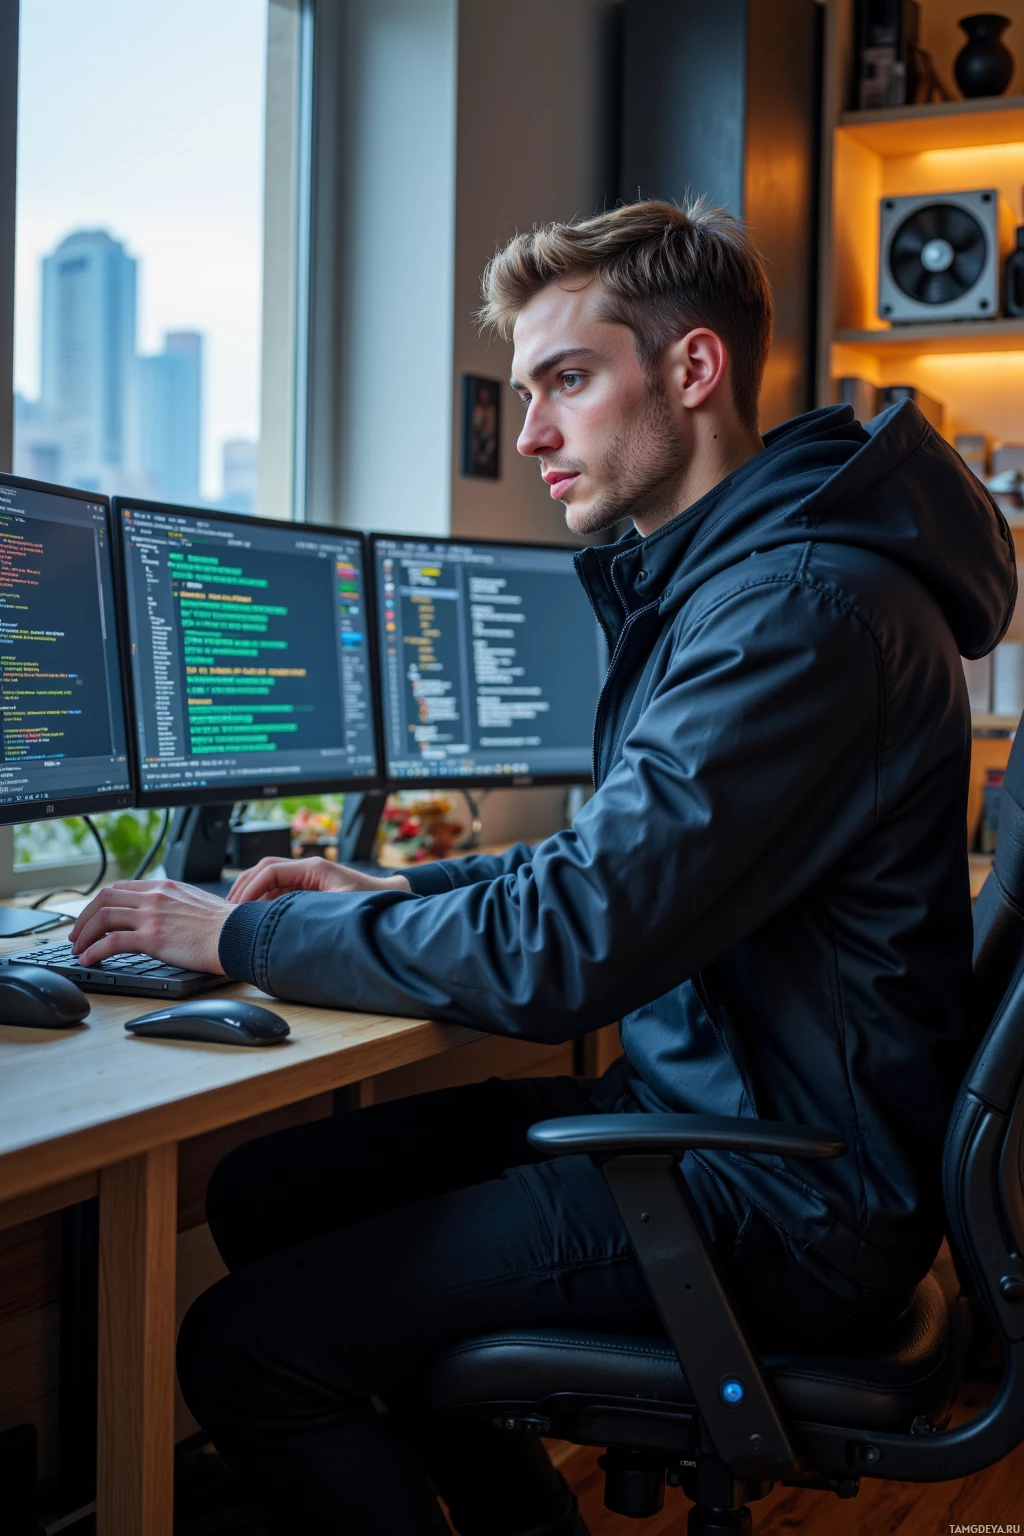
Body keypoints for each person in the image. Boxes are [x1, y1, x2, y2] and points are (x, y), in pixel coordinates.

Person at [70, 198, 1015, 1536]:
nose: (528, 436)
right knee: (267, 1189)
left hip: (782, 1197)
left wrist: (232, 939)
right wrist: (394, 896)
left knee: (244, 1351)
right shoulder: (753, 582)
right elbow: (610, 866)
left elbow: (566, 947)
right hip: (753, 1131)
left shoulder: (796, 614)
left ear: (692, 371)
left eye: (567, 379)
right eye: (527, 390)